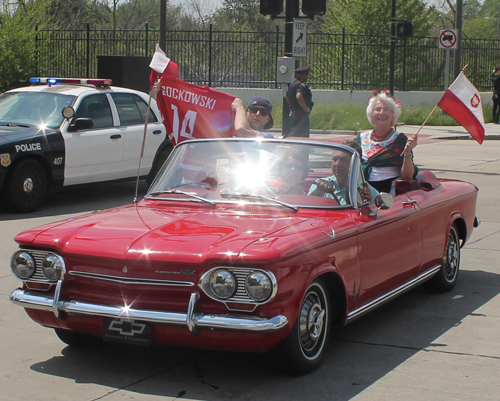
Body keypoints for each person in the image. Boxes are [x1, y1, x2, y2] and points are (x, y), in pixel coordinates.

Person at [354, 90, 418, 195]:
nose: (382, 113)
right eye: (377, 109)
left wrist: (408, 153)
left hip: (389, 189)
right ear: (371, 115)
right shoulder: (361, 138)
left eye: (386, 109)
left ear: (393, 116)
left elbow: (407, 177)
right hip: (362, 187)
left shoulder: (400, 140)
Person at [308, 141, 378, 205]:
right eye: (335, 159)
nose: (337, 164)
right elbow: (305, 211)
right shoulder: (319, 184)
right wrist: (318, 192)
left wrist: (365, 204)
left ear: (356, 163)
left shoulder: (369, 193)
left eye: (343, 159)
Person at [284, 66, 313, 138]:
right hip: (300, 115)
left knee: (295, 136)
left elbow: (286, 96)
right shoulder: (301, 85)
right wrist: (306, 109)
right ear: (303, 75)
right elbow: (299, 96)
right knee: (303, 138)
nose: (307, 77)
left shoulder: (292, 84)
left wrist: (293, 105)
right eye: (306, 75)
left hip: (293, 114)